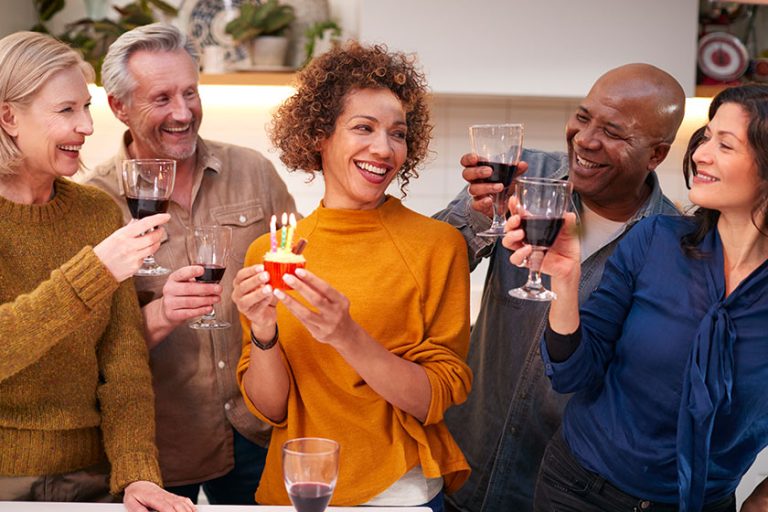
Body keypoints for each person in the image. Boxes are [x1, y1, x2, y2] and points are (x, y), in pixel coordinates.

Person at [231, 41, 472, 511]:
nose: (383, 149)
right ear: (320, 135)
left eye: (397, 134)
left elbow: (436, 398)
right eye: (364, 128)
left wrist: (346, 335)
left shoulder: (438, 246)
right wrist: (263, 334)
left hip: (398, 495)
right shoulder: (272, 252)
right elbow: (273, 409)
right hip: (298, 492)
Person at [435, 63, 686, 512]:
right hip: (462, 462)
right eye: (584, 117)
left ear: (657, 154)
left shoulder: (671, 244)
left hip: (558, 492)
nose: (586, 139)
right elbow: (429, 271)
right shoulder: (524, 178)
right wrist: (481, 217)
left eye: (614, 132)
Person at [508, 83, 768, 511]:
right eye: (706, 137)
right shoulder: (655, 241)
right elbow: (573, 374)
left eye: (726, 145)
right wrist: (566, 280)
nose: (701, 153)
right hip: (577, 493)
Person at [81, 23, 298, 504]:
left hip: (257, 429)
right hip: (159, 442)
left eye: (190, 93)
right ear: (119, 107)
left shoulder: (252, 171)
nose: (182, 113)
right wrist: (161, 313)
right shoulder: (94, 203)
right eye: (161, 98)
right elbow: (87, 352)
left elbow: (297, 264)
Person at [0, 31, 193, 512]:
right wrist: (95, 271)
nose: (87, 126)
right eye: (66, 110)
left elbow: (123, 363)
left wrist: (138, 475)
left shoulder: (95, 212)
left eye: (86, 108)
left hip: (93, 480)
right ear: (9, 117)